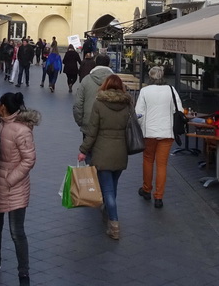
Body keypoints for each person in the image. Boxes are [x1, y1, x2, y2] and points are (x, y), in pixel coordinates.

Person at [0, 92, 40, 286]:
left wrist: (10, 179)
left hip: (13, 187)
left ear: (3, 107)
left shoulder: (21, 130)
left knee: (17, 231)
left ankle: (23, 273)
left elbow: (29, 159)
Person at [78, 74, 132, 240]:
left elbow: (92, 130)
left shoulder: (99, 104)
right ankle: (108, 212)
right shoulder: (127, 104)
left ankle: (114, 223)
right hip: (121, 151)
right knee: (113, 187)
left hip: (102, 152)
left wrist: (83, 150)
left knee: (107, 190)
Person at [134, 66, 182, 208]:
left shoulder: (145, 91)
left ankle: (147, 189)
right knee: (162, 165)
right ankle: (159, 197)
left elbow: (139, 113)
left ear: (150, 77)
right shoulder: (171, 90)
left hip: (149, 132)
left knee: (148, 160)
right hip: (166, 132)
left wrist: (142, 127)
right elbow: (178, 110)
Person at [72, 54, 114, 133]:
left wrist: (81, 121)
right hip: (110, 126)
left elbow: (78, 104)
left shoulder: (86, 80)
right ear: (108, 64)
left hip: (89, 123)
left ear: (96, 64)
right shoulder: (116, 82)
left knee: (88, 145)